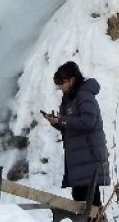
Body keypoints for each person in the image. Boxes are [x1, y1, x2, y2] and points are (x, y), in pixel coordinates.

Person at [42, 61, 109, 209]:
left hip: (89, 158)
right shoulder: (69, 98)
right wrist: (57, 123)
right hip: (79, 160)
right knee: (80, 202)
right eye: (58, 84)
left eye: (62, 83)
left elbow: (88, 122)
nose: (60, 87)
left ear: (72, 79)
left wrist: (62, 120)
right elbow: (73, 127)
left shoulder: (84, 96)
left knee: (90, 204)